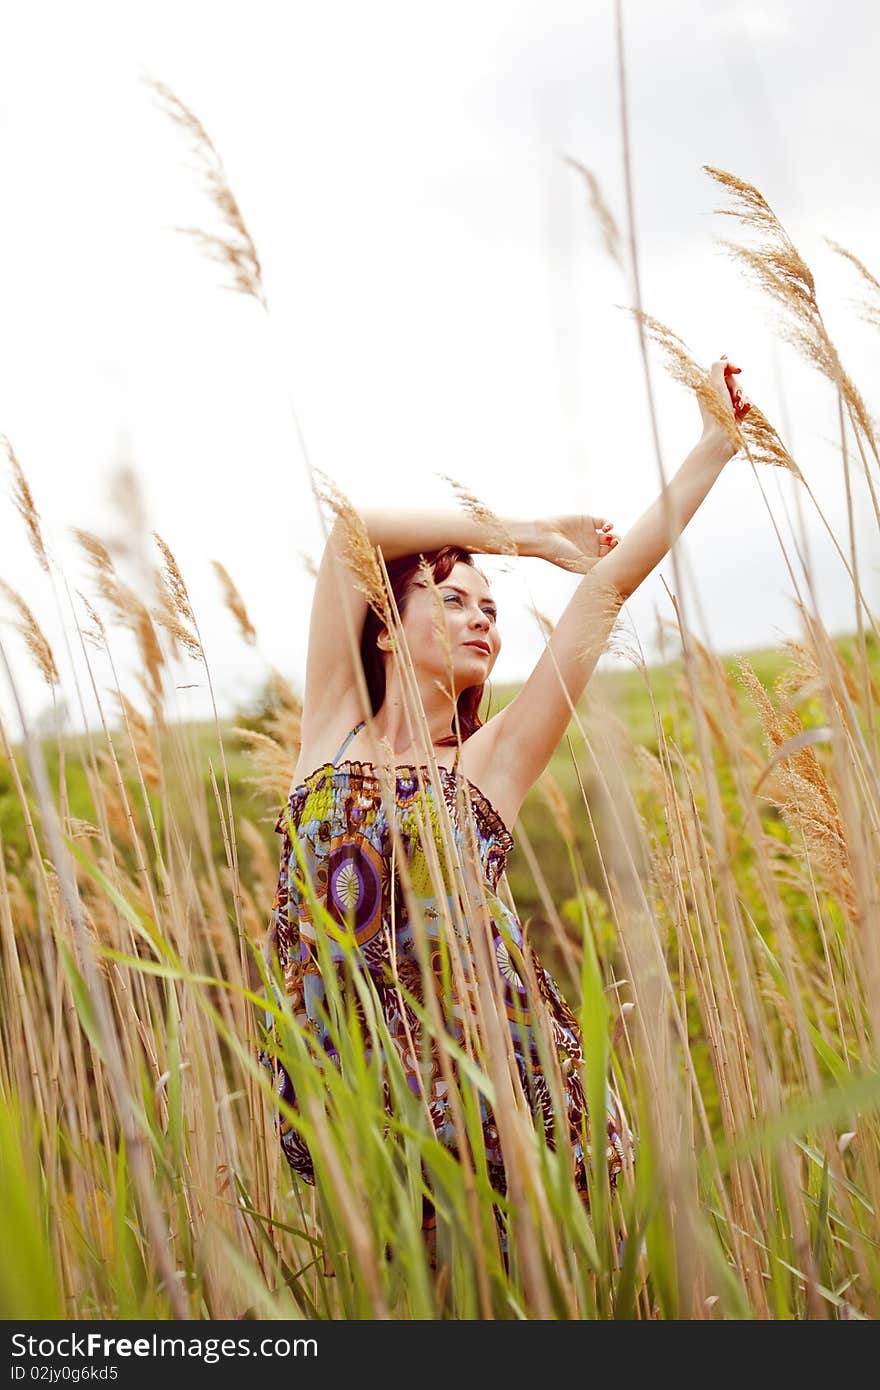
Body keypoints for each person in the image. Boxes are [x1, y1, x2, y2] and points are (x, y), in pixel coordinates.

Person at [259, 357, 751, 1263]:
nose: (485, 618)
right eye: (452, 600)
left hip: (505, 1112)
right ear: (382, 624)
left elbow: (604, 589)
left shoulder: (487, 766)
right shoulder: (330, 727)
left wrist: (715, 444)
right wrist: (523, 539)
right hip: (364, 1109)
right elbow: (351, 532)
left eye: (493, 610)